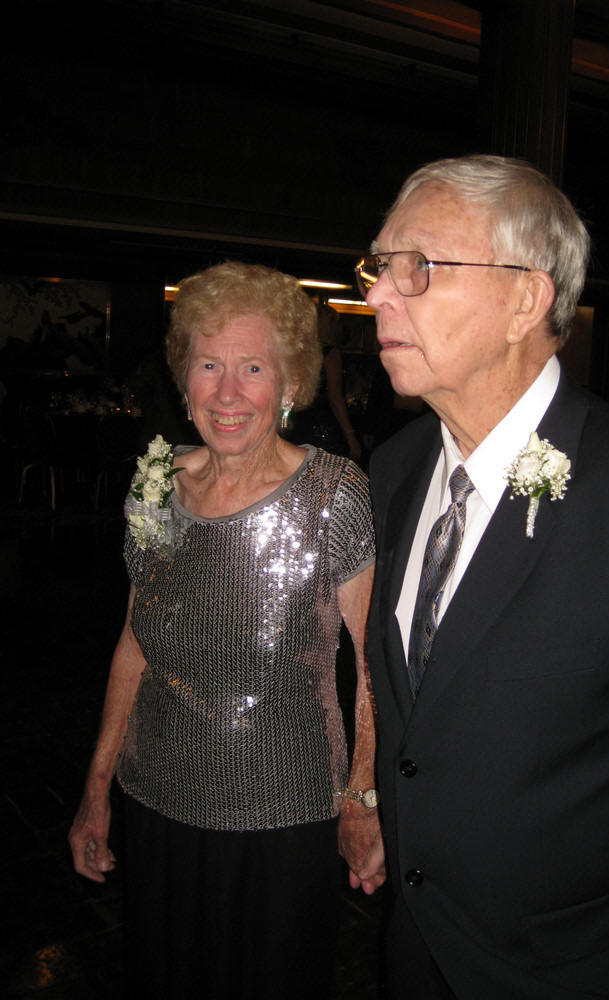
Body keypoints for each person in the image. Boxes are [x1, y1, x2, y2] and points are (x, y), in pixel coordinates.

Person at [353, 155, 609, 1000]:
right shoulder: (395, 467)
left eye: (416, 266)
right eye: (379, 267)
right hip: (418, 950)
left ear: (526, 300)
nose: (380, 294)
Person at [68, 261, 385, 998]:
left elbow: (371, 665)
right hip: (159, 804)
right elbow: (134, 643)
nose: (229, 392)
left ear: (289, 384)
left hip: (286, 813)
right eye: (210, 365)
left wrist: (363, 799)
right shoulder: (156, 481)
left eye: (252, 367)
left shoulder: (335, 494)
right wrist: (96, 790)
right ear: (185, 379)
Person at [287, 302, 362, 460]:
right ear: (329, 326)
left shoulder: (297, 353)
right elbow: (335, 398)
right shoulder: (330, 354)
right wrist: (350, 436)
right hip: (322, 423)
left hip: (297, 422)